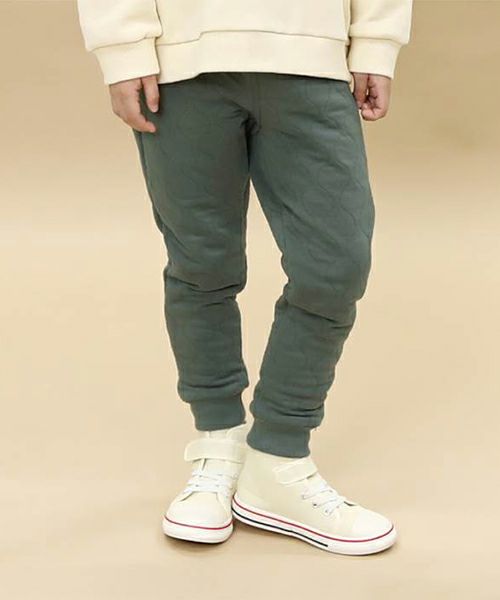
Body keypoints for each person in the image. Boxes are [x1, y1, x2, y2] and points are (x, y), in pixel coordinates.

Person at [77, 0, 413, 555]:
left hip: (313, 57)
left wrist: (376, 41)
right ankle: (219, 443)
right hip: (181, 61)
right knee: (201, 265)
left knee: (336, 265)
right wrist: (122, 49)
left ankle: (277, 455)